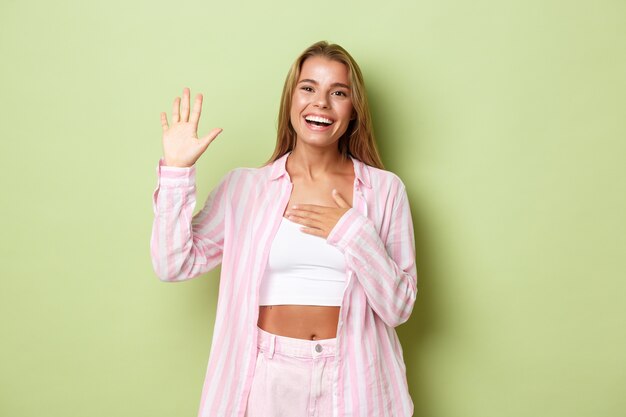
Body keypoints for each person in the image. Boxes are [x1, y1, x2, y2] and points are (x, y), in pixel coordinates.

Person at [151, 41, 418, 417]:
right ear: (290, 100)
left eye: (337, 92)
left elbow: (399, 307)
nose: (321, 103)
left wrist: (353, 232)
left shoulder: (384, 190)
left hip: (354, 375)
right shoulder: (245, 188)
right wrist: (177, 172)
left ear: (353, 108)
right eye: (308, 88)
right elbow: (173, 264)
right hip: (267, 376)